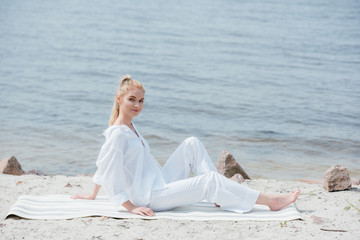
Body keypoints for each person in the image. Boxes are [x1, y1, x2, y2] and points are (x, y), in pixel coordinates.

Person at [72, 75, 300, 217]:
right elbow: (109, 170)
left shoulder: (131, 128)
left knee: (191, 143)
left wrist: (92, 194)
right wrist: (131, 207)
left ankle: (220, 195)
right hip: (149, 196)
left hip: (159, 181)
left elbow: (103, 166)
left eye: (141, 100)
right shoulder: (118, 135)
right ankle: (271, 201)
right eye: (132, 99)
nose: (137, 105)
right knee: (209, 180)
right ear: (119, 99)